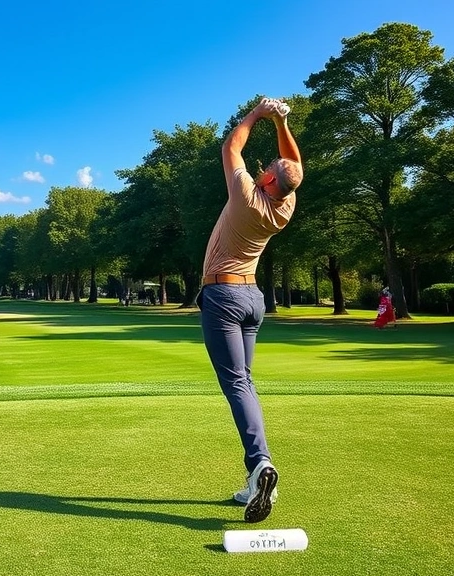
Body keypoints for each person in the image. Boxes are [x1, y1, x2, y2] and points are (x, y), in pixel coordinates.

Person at [198, 97, 303, 524]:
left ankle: (261, 462)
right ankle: (254, 477)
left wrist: (258, 115)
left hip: (223, 299)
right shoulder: (285, 206)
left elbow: (230, 149)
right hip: (252, 302)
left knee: (236, 384)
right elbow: (293, 164)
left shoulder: (247, 195)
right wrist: (281, 122)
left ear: (267, 178)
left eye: (269, 168)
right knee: (246, 382)